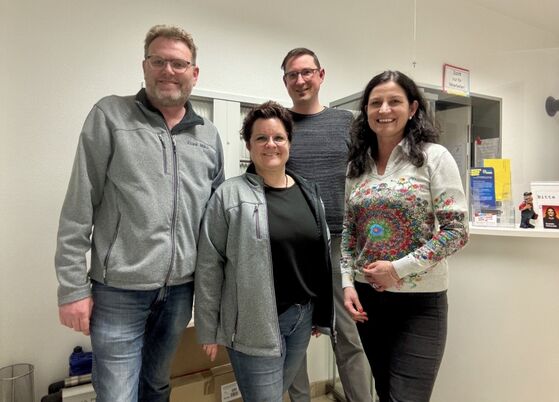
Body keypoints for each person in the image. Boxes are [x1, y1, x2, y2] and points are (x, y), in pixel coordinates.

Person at [54, 25, 224, 402]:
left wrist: (214, 293)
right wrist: (72, 288)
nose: (168, 71)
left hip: (180, 290)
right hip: (118, 290)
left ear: (194, 73)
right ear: (144, 66)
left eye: (178, 64)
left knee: (157, 384)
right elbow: (79, 204)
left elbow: (215, 223)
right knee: (117, 395)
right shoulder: (110, 115)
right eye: (158, 61)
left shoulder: (209, 136)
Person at [341, 70, 469, 402]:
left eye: (394, 101)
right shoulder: (357, 166)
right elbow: (349, 232)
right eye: (375, 103)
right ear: (366, 111)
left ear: (412, 108)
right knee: (385, 393)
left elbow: (456, 232)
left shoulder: (433, 157)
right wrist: (347, 283)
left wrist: (397, 270)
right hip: (369, 299)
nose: (384, 109)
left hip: (419, 303)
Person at [194, 101, 335, 402]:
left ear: (289, 143)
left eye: (278, 137)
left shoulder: (309, 192)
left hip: (301, 318)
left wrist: (319, 312)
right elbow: (209, 264)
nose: (271, 144)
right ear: (248, 145)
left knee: (277, 392)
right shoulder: (229, 195)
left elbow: (319, 254)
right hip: (252, 325)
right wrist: (208, 327)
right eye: (261, 138)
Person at [280, 48, 373, 402]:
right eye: (292, 74)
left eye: (307, 72)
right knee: (292, 335)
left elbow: (367, 177)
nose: (300, 80)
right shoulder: (279, 124)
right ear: (285, 81)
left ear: (321, 75)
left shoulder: (347, 122)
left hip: (339, 246)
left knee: (348, 335)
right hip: (294, 246)